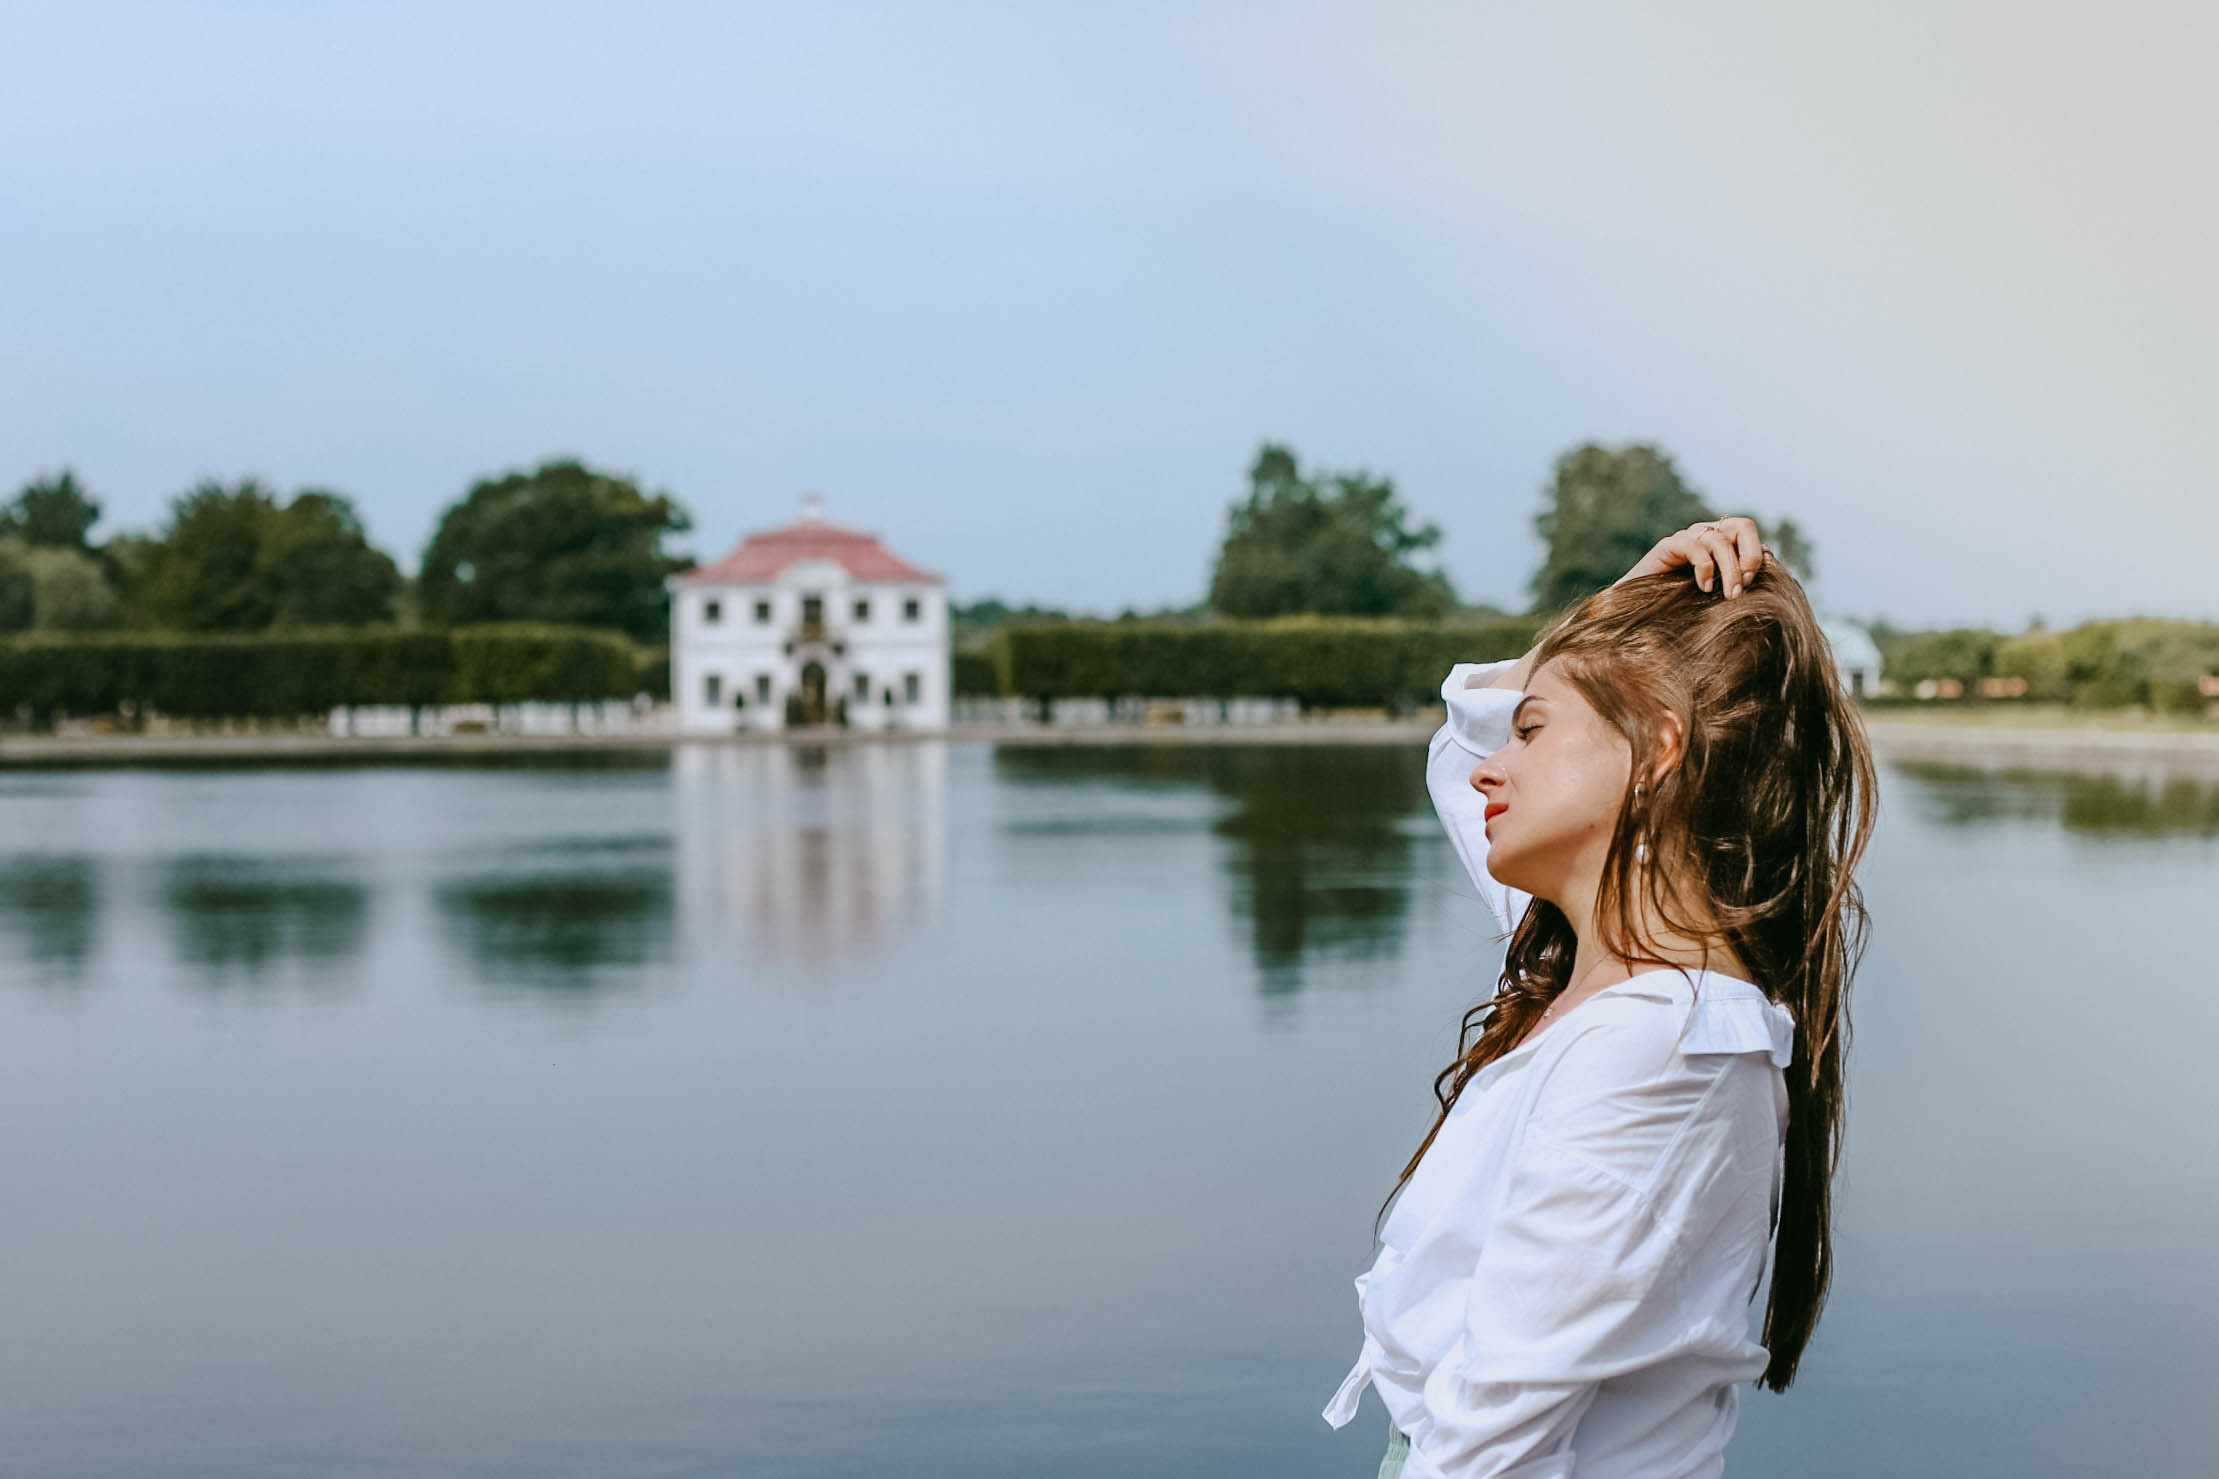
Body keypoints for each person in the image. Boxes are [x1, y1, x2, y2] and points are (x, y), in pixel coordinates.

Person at [1321, 517, 1878, 1479]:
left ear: (1657, 747)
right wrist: (1606, 621)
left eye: (1531, 730)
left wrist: (1598, 647)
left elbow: (1493, 1448)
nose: (1493, 763)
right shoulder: (1582, 964)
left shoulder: (1657, 1047)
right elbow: (1463, 760)